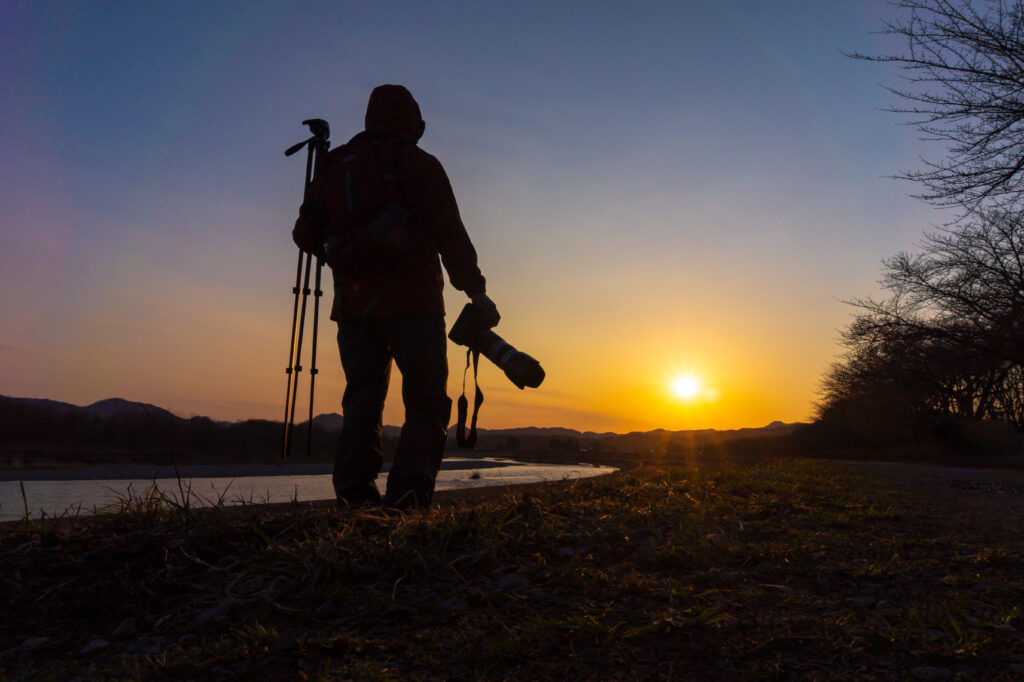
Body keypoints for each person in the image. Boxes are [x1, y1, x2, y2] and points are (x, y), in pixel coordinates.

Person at [292, 84, 499, 509]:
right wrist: (476, 291)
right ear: (413, 122)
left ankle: (355, 500)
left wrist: (345, 256)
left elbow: (304, 234)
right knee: (426, 403)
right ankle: (407, 500)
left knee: (362, 402)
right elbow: (451, 235)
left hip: (353, 310)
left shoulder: (335, 166)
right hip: (417, 307)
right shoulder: (421, 164)